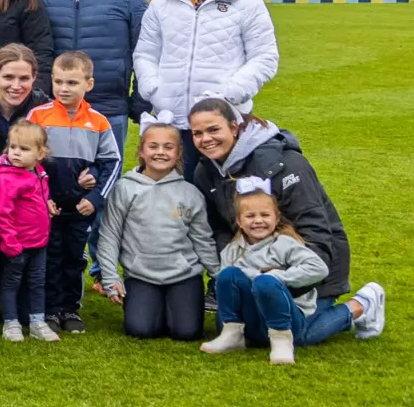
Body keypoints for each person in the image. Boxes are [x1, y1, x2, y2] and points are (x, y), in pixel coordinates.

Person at [184, 98, 380, 346]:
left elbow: (317, 232)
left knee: (291, 334)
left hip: (311, 270)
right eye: (197, 133)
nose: (206, 139)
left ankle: (361, 305)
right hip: (255, 268)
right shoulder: (205, 171)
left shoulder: (285, 163)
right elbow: (220, 229)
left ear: (234, 127)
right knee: (243, 333)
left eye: (214, 129)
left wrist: (281, 282)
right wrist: (238, 269)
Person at [135, 0, 279, 160]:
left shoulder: (245, 1)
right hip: (172, 121)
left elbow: (264, 57)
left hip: (222, 123)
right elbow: (145, 54)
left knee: (220, 196)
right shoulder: (162, 2)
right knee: (174, 196)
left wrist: (230, 94)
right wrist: (153, 89)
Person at [201, 181, 383, 363]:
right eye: (250, 216)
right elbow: (226, 287)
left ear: (277, 218)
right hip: (254, 317)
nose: (258, 221)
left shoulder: (284, 243)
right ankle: (232, 333)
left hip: (288, 316)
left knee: (267, 284)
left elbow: (319, 268)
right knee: (227, 275)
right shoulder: (231, 250)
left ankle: (282, 339)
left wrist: (279, 277)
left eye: (265, 215)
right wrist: (253, 276)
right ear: (239, 221)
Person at [94, 116, 221, 341]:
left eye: (168, 147)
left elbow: (203, 239)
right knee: (141, 330)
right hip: (141, 274)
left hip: (184, 275)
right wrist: (111, 278)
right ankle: (150, 306)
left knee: (187, 332)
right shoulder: (125, 188)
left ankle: (177, 306)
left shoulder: (189, 193)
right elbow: (110, 235)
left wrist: (219, 276)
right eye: (153, 146)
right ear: (141, 151)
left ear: (179, 153)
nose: (160, 152)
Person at [28, 51, 121, 333]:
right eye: (58, 82)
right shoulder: (39, 116)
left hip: (80, 208)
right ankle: (51, 310)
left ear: (88, 85)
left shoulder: (99, 122)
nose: (64, 89)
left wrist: (95, 198)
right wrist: (42, 199)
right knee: (50, 257)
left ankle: (71, 309)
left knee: (74, 258)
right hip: (49, 207)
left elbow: (112, 163)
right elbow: (24, 160)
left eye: (72, 83)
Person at [43, 0, 148, 147]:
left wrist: (141, 98)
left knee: (105, 179)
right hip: (55, 108)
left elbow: (146, 46)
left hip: (109, 107)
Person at [0, 120, 57, 343]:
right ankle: (10, 322)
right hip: (17, 243)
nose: (16, 153)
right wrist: (10, 243)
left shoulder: (37, 171)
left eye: (24, 149)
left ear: (40, 153)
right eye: (13, 147)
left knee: (37, 282)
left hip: (39, 242)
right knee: (11, 282)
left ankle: (37, 321)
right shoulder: (5, 178)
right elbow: (2, 213)